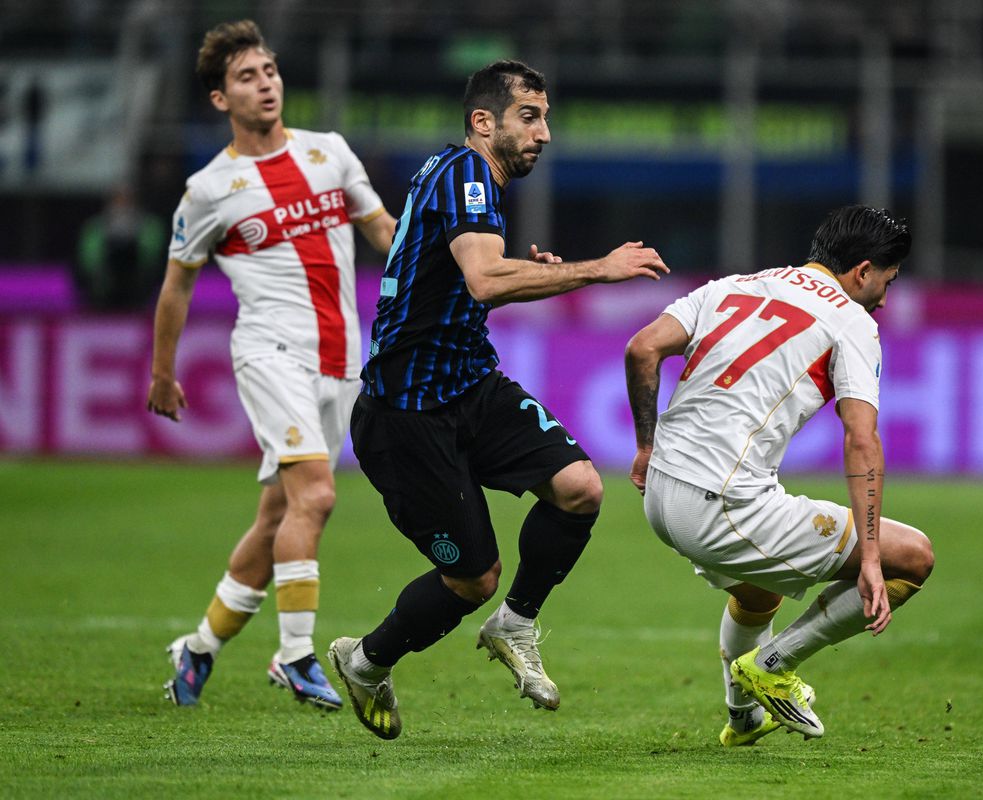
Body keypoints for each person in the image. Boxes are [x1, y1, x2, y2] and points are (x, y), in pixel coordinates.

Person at [326, 60, 669, 741]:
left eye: (546, 118)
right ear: (484, 121)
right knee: (472, 578)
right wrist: (598, 268)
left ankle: (514, 625)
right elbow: (484, 280)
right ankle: (365, 661)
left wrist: (534, 275)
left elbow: (459, 271)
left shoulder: (457, 175)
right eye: (529, 117)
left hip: (469, 386)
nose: (544, 132)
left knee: (578, 488)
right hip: (406, 416)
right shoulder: (468, 172)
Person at [147, 20, 397, 711]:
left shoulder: (330, 153)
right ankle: (293, 656)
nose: (266, 84)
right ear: (220, 99)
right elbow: (178, 283)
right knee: (316, 495)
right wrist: (162, 372)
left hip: (342, 359)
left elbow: (383, 232)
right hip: (269, 352)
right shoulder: (209, 190)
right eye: (247, 77)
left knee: (276, 520)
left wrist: (449, 262)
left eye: (270, 71)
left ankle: (198, 649)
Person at [625, 205, 934, 746]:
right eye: (886, 281)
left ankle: (742, 718)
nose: (885, 298)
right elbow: (862, 440)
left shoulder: (734, 285)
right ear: (862, 272)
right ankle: (772, 664)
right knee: (911, 556)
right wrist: (868, 556)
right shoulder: (852, 321)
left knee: (760, 590)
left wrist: (647, 446)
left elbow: (642, 348)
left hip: (660, 495)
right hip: (722, 502)